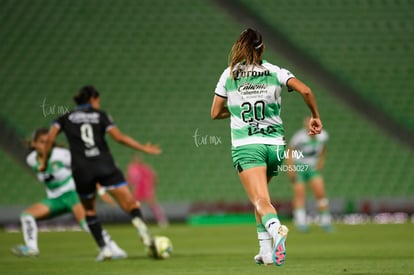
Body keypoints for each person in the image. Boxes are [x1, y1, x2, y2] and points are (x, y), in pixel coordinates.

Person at [211, 28, 323, 266]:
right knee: (261, 199)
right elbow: (306, 90)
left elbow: (214, 113)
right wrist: (315, 116)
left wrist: (238, 110)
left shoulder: (229, 74)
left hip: (247, 146)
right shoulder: (275, 71)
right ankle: (265, 252)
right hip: (275, 147)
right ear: (262, 48)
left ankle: (276, 230)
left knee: (260, 200)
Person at [39, 86, 161, 261]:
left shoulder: (64, 118)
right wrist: (143, 148)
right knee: (131, 203)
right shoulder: (100, 116)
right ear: (93, 99)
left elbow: (50, 139)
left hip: (82, 170)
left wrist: (43, 162)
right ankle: (141, 227)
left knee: (89, 211)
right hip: (105, 165)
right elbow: (119, 138)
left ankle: (105, 249)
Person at [11, 128, 126, 259]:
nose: (45, 145)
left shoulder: (60, 155)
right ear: (34, 144)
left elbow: (85, 168)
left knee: (86, 223)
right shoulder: (31, 159)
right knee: (26, 215)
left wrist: (100, 189)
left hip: (73, 194)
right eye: (42, 142)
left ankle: (115, 249)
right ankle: (32, 249)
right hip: (56, 199)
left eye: (48, 142)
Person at [287, 117, 332, 232]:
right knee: (300, 195)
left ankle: (326, 222)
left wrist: (322, 160)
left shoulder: (323, 136)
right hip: (299, 168)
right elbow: (290, 151)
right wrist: (291, 168)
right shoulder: (299, 137)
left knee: (320, 194)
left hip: (312, 169)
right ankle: (301, 222)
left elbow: (323, 149)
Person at [127, 154, 169, 227]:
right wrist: (130, 188)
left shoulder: (145, 167)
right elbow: (129, 179)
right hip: (137, 190)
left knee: (153, 205)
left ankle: (162, 220)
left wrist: (153, 187)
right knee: (137, 206)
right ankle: (141, 221)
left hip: (146, 189)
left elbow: (154, 176)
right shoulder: (132, 168)